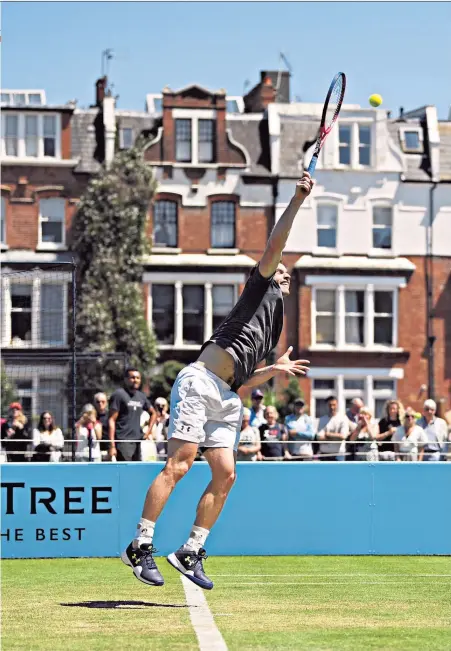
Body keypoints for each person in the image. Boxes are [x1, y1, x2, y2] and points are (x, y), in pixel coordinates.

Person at [121, 172, 313, 590]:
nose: (285, 273)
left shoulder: (272, 324)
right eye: (280, 269)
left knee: (226, 474)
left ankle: (190, 550)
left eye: (286, 274)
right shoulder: (259, 286)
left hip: (226, 396)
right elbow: (275, 243)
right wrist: (297, 200)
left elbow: (241, 378)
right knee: (181, 464)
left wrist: (274, 370)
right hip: (200, 381)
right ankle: (140, 543)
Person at [108, 368, 156, 462]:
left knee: (136, 471)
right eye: (132, 377)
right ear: (126, 379)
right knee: (126, 472)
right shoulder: (119, 395)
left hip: (138, 441)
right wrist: (112, 445)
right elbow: (111, 420)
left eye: (138, 378)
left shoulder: (141, 396)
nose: (136, 380)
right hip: (123, 441)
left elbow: (153, 413)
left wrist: (148, 431)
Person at [316, 396, 349, 461]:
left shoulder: (343, 418)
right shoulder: (322, 419)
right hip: (324, 454)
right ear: (326, 406)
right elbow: (319, 438)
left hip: (339, 454)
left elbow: (343, 436)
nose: (332, 407)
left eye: (334, 405)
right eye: (329, 405)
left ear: (337, 405)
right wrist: (336, 437)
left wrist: (328, 434)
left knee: (339, 471)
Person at [94, 392, 109, 459]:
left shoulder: (111, 416)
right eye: (98, 402)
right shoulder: (91, 417)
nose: (100, 404)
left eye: (103, 401)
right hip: (94, 451)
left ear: (106, 402)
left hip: (108, 450)